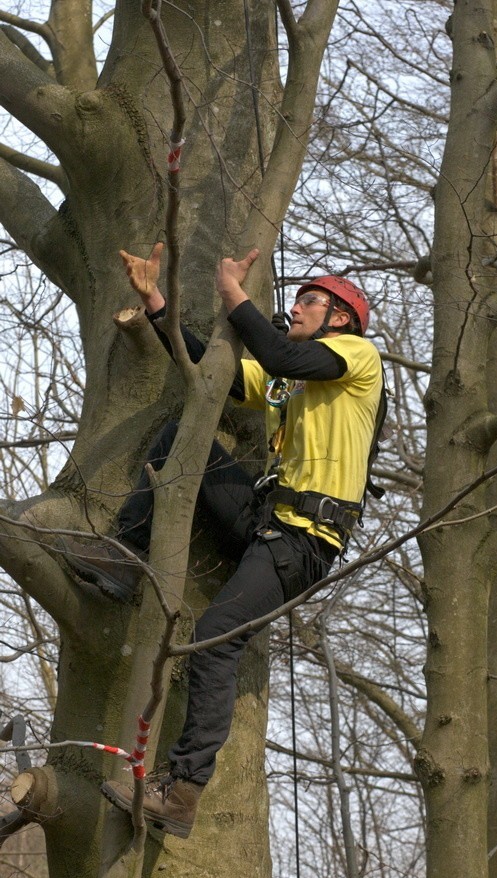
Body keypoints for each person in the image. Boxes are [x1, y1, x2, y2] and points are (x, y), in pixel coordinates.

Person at [59, 243, 383, 838]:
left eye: (310, 302)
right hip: (265, 519)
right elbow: (216, 369)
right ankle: (123, 559)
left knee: (216, 637)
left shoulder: (358, 357)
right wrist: (155, 300)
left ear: (340, 317)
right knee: (182, 440)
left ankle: (180, 791)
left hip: (305, 541)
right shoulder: (288, 381)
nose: (297, 309)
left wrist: (236, 295)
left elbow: (279, 350)